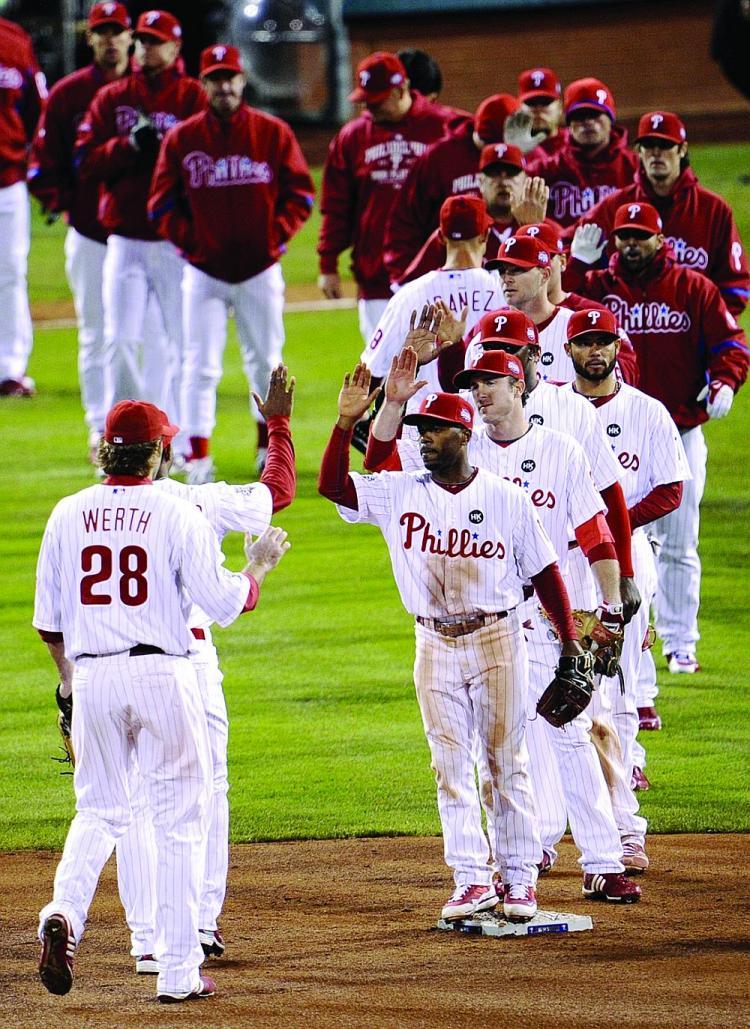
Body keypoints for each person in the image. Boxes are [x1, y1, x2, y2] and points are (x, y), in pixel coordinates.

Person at [33, 400, 290, 1002]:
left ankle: (65, 911)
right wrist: (257, 569)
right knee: (180, 822)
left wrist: (70, 685)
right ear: (159, 454)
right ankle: (177, 973)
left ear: (104, 450)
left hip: (93, 676)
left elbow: (49, 624)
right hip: (165, 675)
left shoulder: (66, 514)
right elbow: (226, 604)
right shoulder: (176, 512)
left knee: (100, 810)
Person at [369, 341, 641, 901]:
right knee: (501, 748)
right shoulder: (461, 454)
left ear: (518, 382)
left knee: (571, 728)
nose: (480, 393)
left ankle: (603, 857)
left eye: (489, 381)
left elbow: (595, 533)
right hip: (494, 618)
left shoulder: (559, 449)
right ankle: (526, 851)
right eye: (473, 384)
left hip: (556, 609)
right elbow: (379, 474)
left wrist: (609, 610)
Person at [320, 362, 588, 923]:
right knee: (449, 764)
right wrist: (345, 424)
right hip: (432, 644)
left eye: (434, 430)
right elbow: (334, 486)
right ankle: (470, 876)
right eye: (419, 430)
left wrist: (570, 644)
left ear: (464, 435)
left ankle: (518, 878)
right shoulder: (399, 493)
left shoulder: (507, 498)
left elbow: (546, 575)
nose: (424, 439)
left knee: (503, 762)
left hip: (497, 639)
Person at [113, 364, 295, 971]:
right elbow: (278, 493)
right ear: (162, 450)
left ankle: (145, 937)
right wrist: (277, 425)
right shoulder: (195, 501)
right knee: (204, 792)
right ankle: (196, 925)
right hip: (184, 662)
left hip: (107, 670)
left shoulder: (82, 512)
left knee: (133, 800)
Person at [569, 201, 749, 672]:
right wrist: (575, 267)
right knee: (596, 540)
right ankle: (612, 649)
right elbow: (555, 323)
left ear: (660, 241)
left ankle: (680, 641)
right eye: (623, 236)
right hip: (600, 429)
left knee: (678, 541)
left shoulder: (693, 288)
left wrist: (726, 379)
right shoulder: (595, 288)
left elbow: (731, 344)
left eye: (639, 236)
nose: (630, 244)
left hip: (678, 429)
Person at [148, 43, 313, 483]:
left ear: (242, 81)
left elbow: (301, 194)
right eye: (215, 78)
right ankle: (197, 455)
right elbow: (161, 205)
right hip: (204, 273)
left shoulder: (272, 132)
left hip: (260, 270)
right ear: (203, 84)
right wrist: (195, 247)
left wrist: (274, 239)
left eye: (230, 77)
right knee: (198, 364)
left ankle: (269, 448)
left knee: (265, 362)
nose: (224, 86)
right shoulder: (182, 138)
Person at [562, 309, 690, 827]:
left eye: (604, 342)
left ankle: (628, 772)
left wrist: (611, 525)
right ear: (568, 350)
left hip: (630, 555)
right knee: (563, 676)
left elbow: (672, 489)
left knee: (622, 679)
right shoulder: (552, 410)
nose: (595, 352)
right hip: (565, 560)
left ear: (618, 347)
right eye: (584, 343)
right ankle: (567, 796)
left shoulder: (648, 412)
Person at [75, 10, 206, 451]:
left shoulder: (192, 98)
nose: (148, 49)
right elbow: (86, 161)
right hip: (125, 240)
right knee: (120, 339)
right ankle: (124, 437)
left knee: (181, 342)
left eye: (157, 41)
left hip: (173, 243)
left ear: (175, 47)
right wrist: (127, 146)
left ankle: (179, 440)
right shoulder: (112, 98)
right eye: (144, 41)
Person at [28, 2, 133, 458]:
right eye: (102, 32)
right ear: (89, 38)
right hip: (91, 235)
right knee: (95, 330)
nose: (110, 39)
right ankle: (98, 425)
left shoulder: (151, 92)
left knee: (142, 334)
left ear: (131, 37)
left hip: (144, 238)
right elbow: (42, 163)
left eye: (117, 31)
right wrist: (66, 206)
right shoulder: (69, 94)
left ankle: (149, 427)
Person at [316, 51, 459, 344]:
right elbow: (337, 206)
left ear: (401, 90)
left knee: (446, 371)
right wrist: (327, 263)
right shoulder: (352, 137)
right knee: (382, 373)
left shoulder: (447, 127)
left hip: (440, 274)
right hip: (376, 278)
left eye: (377, 99)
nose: (369, 106)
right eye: (366, 99)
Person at [569, 111, 749, 316]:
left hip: (690, 337)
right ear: (638, 151)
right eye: (648, 145)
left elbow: (736, 285)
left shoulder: (714, 209)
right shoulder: (614, 207)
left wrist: (707, 326)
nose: (656, 153)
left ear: (682, 150)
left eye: (664, 145)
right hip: (625, 337)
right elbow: (562, 251)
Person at [360, 195, 501, 457]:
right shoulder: (505, 290)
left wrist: (367, 423)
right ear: (485, 235)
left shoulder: (409, 295)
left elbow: (372, 372)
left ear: (441, 237)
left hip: (423, 436)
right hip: (489, 429)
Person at [383, 93, 519, 282]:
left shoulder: (529, 156)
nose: (496, 154)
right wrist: (404, 275)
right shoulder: (440, 158)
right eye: (488, 145)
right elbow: (405, 219)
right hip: (447, 272)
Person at [396, 143, 549, 286]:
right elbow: (408, 286)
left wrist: (533, 228)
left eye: (511, 174)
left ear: (525, 180)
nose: (503, 182)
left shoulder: (542, 227)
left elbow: (557, 284)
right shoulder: (458, 228)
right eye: (494, 174)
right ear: (480, 182)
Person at [0, 13, 46, 396]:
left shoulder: (14, 40)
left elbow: (36, 108)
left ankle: (9, 370)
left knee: (10, 272)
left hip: (6, 180)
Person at [528, 78, 638, 228]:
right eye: (579, 116)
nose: (588, 122)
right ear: (569, 124)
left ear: (610, 118)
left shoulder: (635, 167)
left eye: (594, 114)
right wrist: (519, 152)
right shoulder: (545, 171)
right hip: (563, 250)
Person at [504, 66, 567, 160]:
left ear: (560, 107)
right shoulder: (506, 148)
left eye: (545, 102)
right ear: (519, 108)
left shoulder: (574, 143)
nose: (538, 109)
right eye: (531, 103)